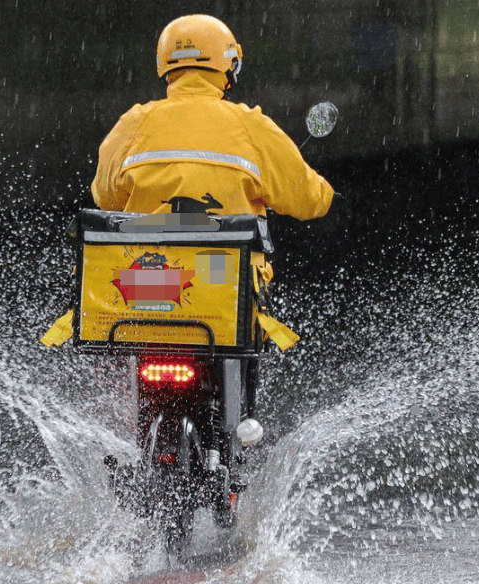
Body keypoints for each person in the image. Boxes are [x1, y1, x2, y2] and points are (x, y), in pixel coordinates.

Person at [91, 14, 335, 447]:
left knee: (139, 331)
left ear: (165, 65)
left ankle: (137, 438)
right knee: (239, 330)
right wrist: (321, 189)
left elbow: (104, 198)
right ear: (228, 67)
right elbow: (308, 201)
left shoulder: (134, 125)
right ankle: (241, 435)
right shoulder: (250, 127)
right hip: (220, 283)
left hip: (144, 285)